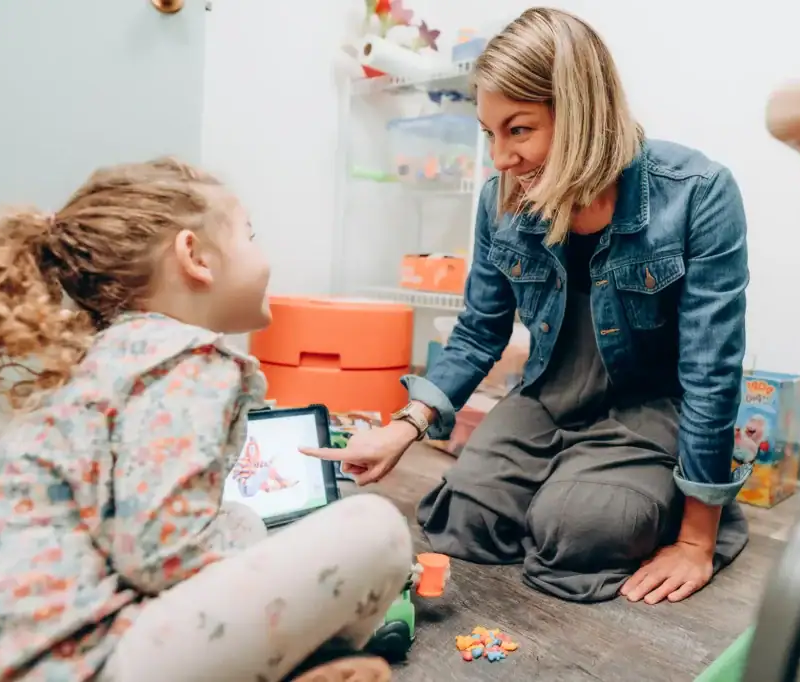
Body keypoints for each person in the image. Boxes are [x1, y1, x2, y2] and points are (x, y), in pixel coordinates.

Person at [303, 7, 751, 606]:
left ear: (584, 116)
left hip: (647, 409)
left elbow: (710, 373)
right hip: (547, 398)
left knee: (579, 533)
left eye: (519, 130)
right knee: (464, 517)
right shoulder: (502, 202)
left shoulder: (698, 194)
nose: (500, 160)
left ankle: (667, 497)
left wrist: (698, 541)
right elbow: (477, 334)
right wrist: (404, 427)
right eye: (490, 133)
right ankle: (576, 485)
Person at [0, 159, 409, 682]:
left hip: (34, 650)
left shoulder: (117, 352)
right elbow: (161, 554)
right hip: (85, 662)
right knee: (378, 528)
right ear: (195, 256)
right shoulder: (184, 357)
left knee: (242, 521)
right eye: (251, 235)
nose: (265, 255)